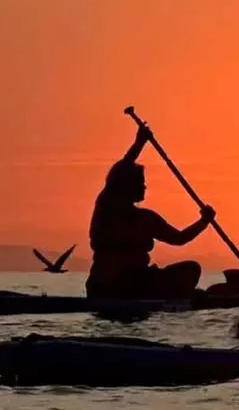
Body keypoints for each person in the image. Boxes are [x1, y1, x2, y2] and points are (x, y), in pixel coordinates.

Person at [86, 124, 216, 299]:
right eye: (141, 183)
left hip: (139, 283)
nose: (145, 187)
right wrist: (139, 143)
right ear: (127, 185)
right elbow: (121, 170)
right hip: (110, 285)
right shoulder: (107, 207)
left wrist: (203, 222)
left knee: (192, 269)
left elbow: (179, 238)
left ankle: (179, 294)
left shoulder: (146, 219)